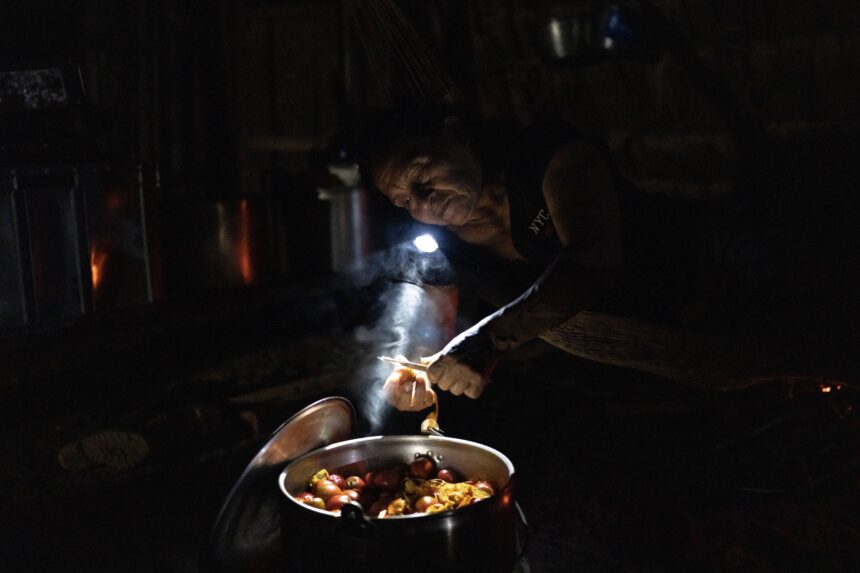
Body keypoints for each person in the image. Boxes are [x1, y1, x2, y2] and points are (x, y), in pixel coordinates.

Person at [359, 109, 706, 412]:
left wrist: (489, 340)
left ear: (455, 134)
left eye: (420, 176)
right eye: (403, 201)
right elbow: (430, 321)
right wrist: (412, 372)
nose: (422, 203)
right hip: (591, 381)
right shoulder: (439, 245)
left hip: (687, 312)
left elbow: (594, 260)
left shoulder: (544, 154)